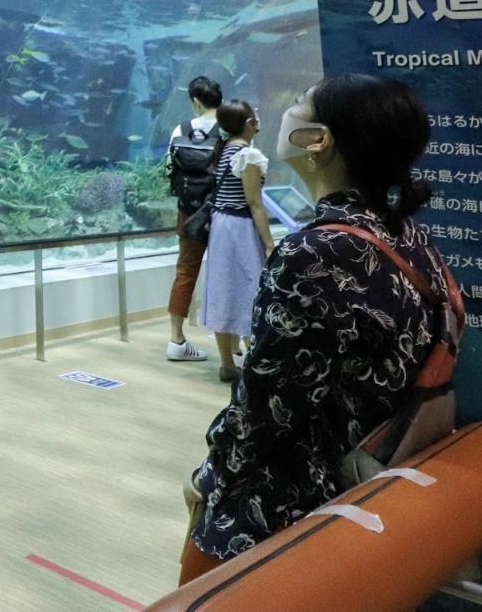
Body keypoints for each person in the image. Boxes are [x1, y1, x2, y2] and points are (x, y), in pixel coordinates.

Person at [179, 74, 452, 585]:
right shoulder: (407, 234)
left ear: (318, 140)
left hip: (296, 506)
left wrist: (209, 478)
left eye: (300, 103)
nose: (286, 110)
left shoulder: (318, 253)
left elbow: (263, 405)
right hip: (372, 479)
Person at [194, 101, 275, 382]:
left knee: (223, 288)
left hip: (221, 225)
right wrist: (269, 242)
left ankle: (227, 363)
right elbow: (254, 203)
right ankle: (256, 360)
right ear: (250, 124)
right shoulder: (248, 155)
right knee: (251, 288)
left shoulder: (224, 149)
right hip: (240, 228)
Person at [164, 75, 224, 363]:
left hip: (188, 211)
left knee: (186, 270)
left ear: (196, 101)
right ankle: (230, 340)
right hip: (223, 210)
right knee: (226, 272)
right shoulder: (229, 127)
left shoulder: (181, 128)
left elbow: (168, 168)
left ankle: (176, 340)